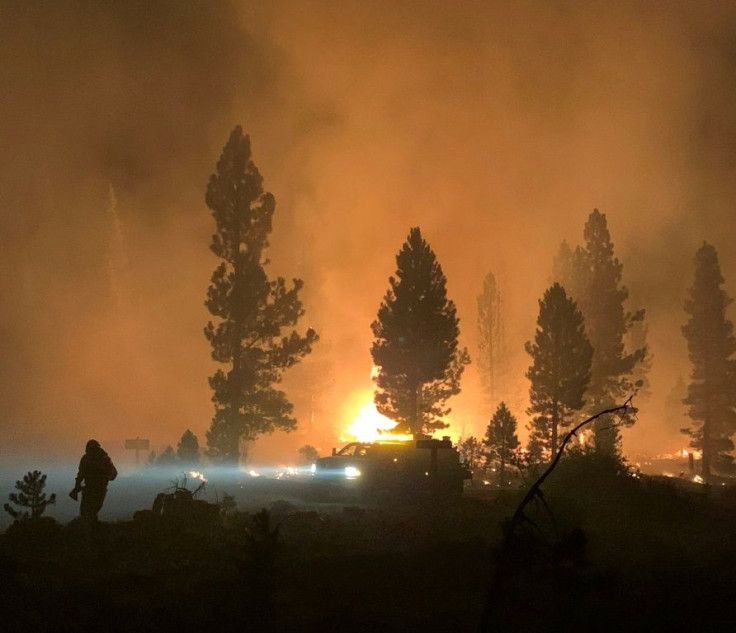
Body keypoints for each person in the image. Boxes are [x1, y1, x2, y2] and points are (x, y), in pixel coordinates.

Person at [69, 439, 117, 521]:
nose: (92, 452)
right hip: (90, 489)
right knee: (86, 512)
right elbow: (81, 474)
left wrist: (103, 476)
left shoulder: (104, 459)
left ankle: (91, 529)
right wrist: (77, 487)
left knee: (91, 511)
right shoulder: (86, 459)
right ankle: (89, 529)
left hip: (99, 489)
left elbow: (113, 474)